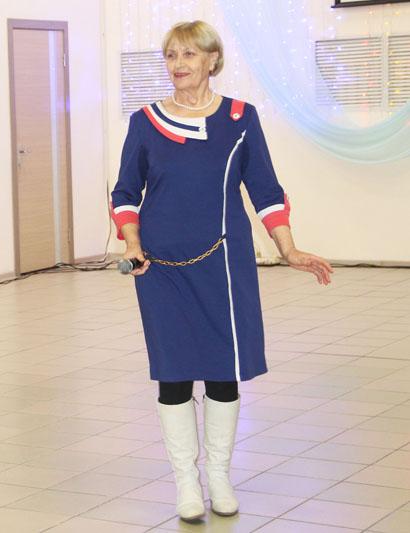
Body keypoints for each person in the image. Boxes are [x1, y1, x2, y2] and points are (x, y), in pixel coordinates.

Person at [110, 21, 332, 522]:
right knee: (173, 373)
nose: (179, 64)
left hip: (225, 265)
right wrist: (133, 243)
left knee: (222, 371)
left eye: (189, 54)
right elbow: (124, 192)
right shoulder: (144, 122)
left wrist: (288, 249)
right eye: (171, 55)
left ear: (213, 60)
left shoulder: (240, 118)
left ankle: (219, 476)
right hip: (162, 269)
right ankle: (186, 483)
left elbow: (266, 190)